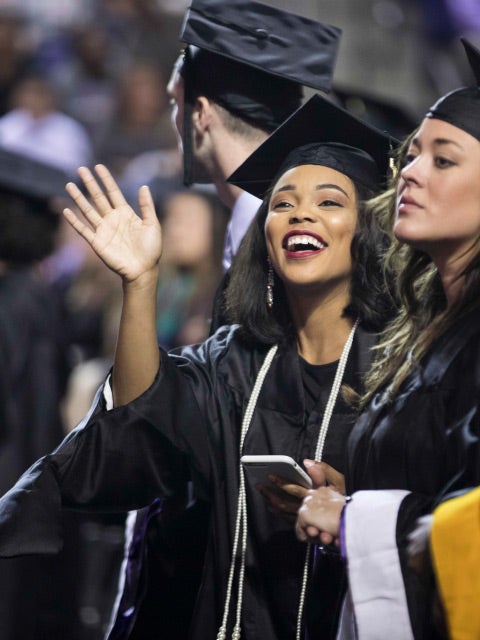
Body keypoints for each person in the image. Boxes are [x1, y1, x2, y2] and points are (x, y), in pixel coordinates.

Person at [0, 93, 395, 640]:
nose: (300, 212)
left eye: (329, 202)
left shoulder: (398, 372)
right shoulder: (234, 360)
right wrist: (140, 283)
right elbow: (145, 421)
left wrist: (355, 513)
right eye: (282, 203)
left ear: (366, 231)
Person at [108, 2, 343, 636]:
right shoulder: (257, 237)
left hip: (268, 579)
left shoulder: (295, 253)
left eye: (174, 104)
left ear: (199, 113)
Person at [295, 37, 480, 640]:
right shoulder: (430, 327)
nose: (410, 172)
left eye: (444, 160)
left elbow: (469, 525)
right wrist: (358, 493)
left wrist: (354, 520)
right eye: (413, 154)